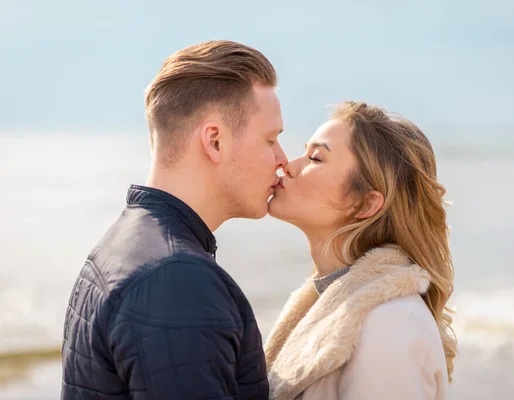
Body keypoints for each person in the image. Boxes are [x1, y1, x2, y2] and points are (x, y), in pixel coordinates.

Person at [61, 40, 287, 399]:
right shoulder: (177, 279)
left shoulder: (123, 245)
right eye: (271, 139)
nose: (282, 159)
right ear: (214, 141)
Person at [265, 101, 457, 399]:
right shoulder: (331, 304)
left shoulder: (392, 321)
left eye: (315, 158)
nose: (288, 166)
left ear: (367, 204)